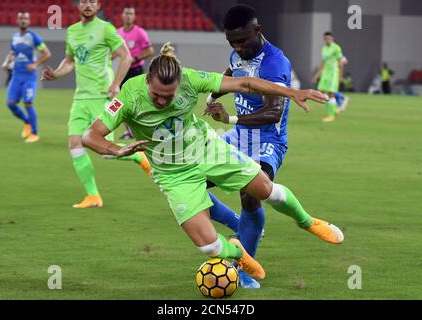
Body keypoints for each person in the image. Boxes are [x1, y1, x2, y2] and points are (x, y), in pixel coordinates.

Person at [82, 43, 344, 282]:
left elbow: (245, 84)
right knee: (208, 246)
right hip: (173, 174)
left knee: (265, 190)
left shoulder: (190, 79)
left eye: (169, 96)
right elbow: (90, 135)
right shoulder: (128, 96)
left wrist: (291, 92)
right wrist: (115, 149)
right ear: (147, 80)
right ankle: (237, 252)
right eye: (156, 96)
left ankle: (307, 222)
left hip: (208, 151)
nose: (162, 101)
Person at [202, 4, 296, 289]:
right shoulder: (238, 51)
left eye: (242, 41)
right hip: (239, 135)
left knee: (251, 193)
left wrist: (229, 116)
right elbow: (230, 73)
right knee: (191, 183)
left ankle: (243, 268)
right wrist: (210, 98)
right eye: (232, 42)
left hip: (269, 140)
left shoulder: (274, 63)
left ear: (258, 30)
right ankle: (237, 223)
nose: (238, 47)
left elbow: (274, 112)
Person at [41, 0, 149, 209]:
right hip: (80, 98)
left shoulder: (106, 29)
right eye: (84, 1)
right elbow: (70, 60)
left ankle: (138, 156)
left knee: (107, 153)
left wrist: (116, 84)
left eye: (92, 1)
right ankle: (93, 196)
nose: (87, 5)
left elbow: (125, 57)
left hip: (102, 97)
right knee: (74, 144)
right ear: (79, 5)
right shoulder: (72, 31)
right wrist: (56, 73)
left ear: (98, 5)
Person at [1, 11, 51, 143]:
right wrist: (6, 62)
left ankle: (34, 133)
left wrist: (35, 64)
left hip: (29, 77)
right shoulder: (15, 37)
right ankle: (27, 122)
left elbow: (46, 53)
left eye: (25, 18)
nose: (23, 20)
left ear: (29, 21)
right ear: (17, 21)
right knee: (11, 104)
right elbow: (13, 52)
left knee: (28, 103)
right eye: (21, 18)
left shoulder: (34, 37)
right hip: (16, 75)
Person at [117, 5, 154, 140]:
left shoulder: (140, 32)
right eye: (126, 13)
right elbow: (114, 51)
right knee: (122, 101)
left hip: (136, 70)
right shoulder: (118, 32)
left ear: (134, 16)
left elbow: (150, 50)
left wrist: (135, 58)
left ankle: (143, 128)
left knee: (139, 101)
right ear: (122, 15)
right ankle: (129, 131)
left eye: (131, 14)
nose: (128, 16)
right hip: (123, 70)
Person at [312, 32, 344, 122]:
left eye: (329, 38)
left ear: (332, 39)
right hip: (325, 73)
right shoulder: (324, 49)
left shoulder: (336, 48)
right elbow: (323, 63)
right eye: (326, 39)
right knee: (321, 93)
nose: (327, 40)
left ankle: (331, 115)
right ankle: (335, 109)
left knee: (330, 93)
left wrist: (341, 75)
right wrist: (317, 75)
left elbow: (341, 62)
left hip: (333, 73)